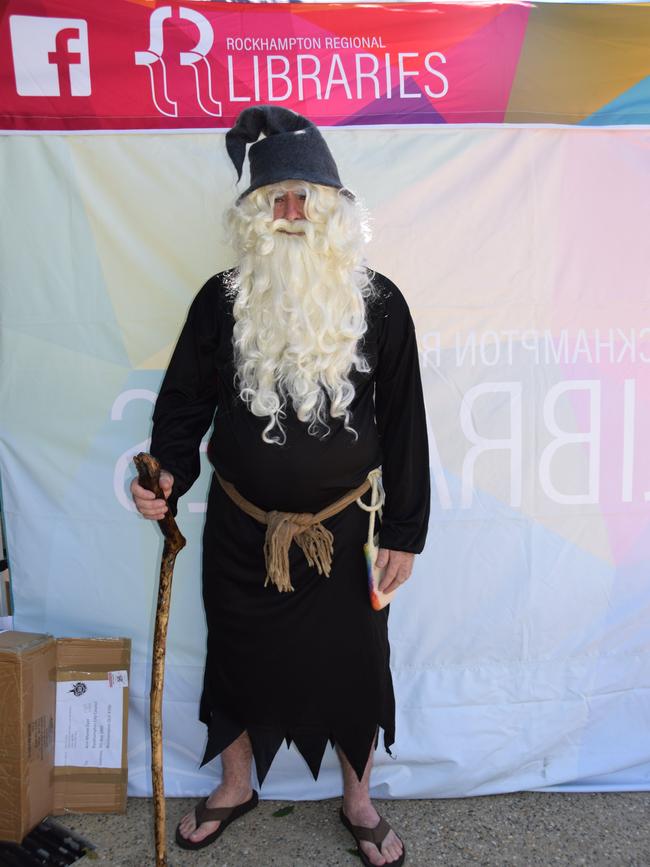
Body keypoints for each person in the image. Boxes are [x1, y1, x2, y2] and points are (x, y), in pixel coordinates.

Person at [131, 106, 429, 867]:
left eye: (305, 198)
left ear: (331, 210)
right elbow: (184, 408)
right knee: (234, 656)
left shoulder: (383, 304)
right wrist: (166, 472)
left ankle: (358, 799)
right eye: (275, 200)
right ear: (256, 215)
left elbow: (403, 425)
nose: (291, 214)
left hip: (346, 530)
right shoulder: (221, 300)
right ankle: (236, 784)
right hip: (241, 527)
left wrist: (405, 529)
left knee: (359, 663)